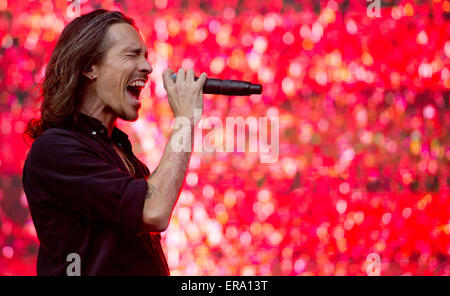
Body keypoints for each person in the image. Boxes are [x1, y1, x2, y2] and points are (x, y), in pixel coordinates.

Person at [22, 9, 207, 276]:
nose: (146, 66)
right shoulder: (55, 149)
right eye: (131, 55)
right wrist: (185, 122)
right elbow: (153, 210)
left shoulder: (121, 152)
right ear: (88, 67)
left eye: (145, 55)